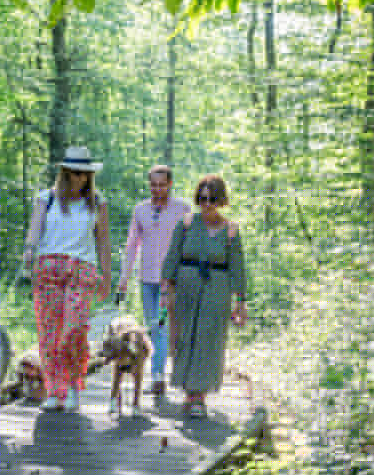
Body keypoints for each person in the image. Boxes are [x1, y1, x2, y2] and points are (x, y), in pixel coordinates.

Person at [21, 146, 113, 412]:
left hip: (82, 269)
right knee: (49, 332)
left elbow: (103, 242)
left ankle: (73, 384)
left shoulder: (97, 202)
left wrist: (106, 276)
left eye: (85, 174)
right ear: (64, 173)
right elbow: (34, 230)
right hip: (48, 268)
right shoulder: (45, 199)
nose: (81, 179)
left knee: (75, 329)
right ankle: (53, 390)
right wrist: (29, 249)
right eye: (75, 173)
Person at [161, 174, 247, 418]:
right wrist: (166, 289)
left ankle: (199, 395)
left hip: (217, 287)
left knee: (209, 338)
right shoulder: (186, 223)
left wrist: (241, 301)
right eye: (201, 198)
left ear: (221, 200)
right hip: (186, 284)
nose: (206, 204)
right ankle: (188, 390)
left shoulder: (230, 230)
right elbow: (172, 256)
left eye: (211, 199)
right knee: (184, 335)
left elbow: (238, 267)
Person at [117, 164, 190, 397]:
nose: (158, 188)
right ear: (149, 184)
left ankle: (167, 376)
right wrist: (124, 279)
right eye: (153, 184)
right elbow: (131, 245)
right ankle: (157, 375)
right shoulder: (140, 210)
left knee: (166, 328)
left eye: (162, 184)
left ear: (170, 184)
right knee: (154, 327)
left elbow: (189, 245)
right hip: (147, 279)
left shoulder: (182, 209)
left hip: (171, 280)